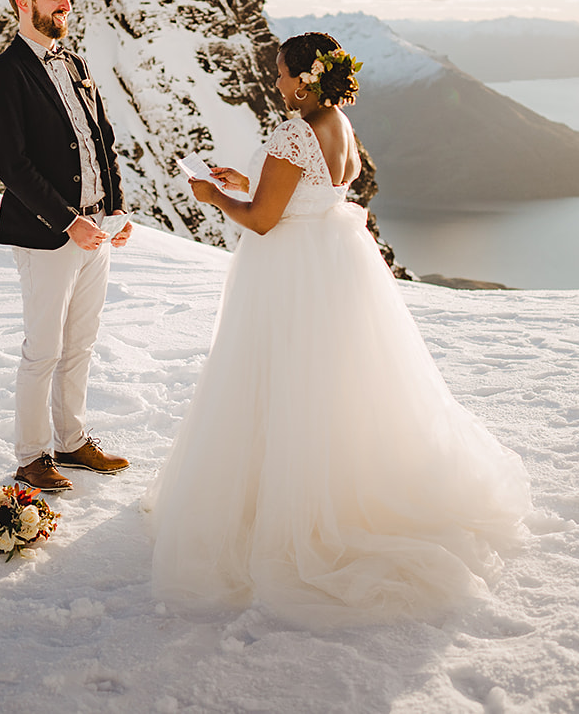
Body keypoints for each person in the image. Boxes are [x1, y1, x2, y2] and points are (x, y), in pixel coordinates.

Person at [145, 32, 533, 627]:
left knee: (276, 381)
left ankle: (278, 515)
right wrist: (239, 180)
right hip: (329, 267)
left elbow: (266, 221)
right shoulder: (337, 125)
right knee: (331, 385)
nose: (274, 82)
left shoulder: (291, 130)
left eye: (279, 73)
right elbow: (308, 194)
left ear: (303, 77)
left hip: (286, 273)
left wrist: (209, 194)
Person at [0, 0, 133, 491]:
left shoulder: (75, 64)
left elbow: (100, 143)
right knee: (42, 349)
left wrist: (115, 209)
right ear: (24, 3)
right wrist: (69, 223)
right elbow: (12, 165)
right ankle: (31, 456)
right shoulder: (2, 74)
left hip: (96, 230)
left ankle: (71, 442)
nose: (65, 3)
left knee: (81, 344)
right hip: (47, 234)